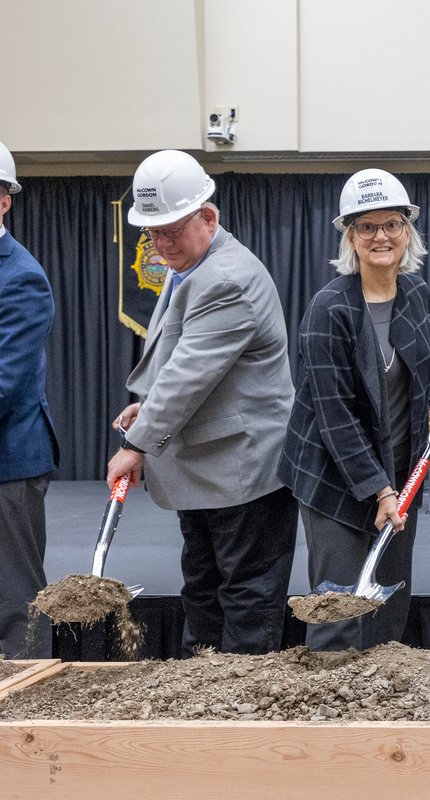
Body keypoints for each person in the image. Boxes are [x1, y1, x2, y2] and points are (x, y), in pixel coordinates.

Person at [105, 150, 297, 656]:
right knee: (204, 591)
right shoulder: (190, 264)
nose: (159, 243)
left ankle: (240, 714)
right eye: (152, 233)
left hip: (243, 474)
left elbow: (191, 373)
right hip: (210, 472)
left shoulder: (227, 277)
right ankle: (201, 699)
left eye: (170, 230)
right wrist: (145, 404)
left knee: (247, 598)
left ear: (208, 217)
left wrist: (138, 444)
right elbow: (178, 354)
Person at [279, 169, 430, 651]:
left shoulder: (415, 292)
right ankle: (334, 709)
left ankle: (382, 709)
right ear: (350, 237)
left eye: (392, 225)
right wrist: (379, 491)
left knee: (389, 601)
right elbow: (334, 416)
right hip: (335, 476)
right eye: (367, 226)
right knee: (341, 607)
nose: (381, 236)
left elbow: (423, 365)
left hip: (401, 470)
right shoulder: (328, 309)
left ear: (407, 231)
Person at [0, 140, 58, 658]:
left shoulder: (21, 278)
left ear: (4, 200)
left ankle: (24, 716)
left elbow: (4, 382)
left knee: (15, 604)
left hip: (9, 465)